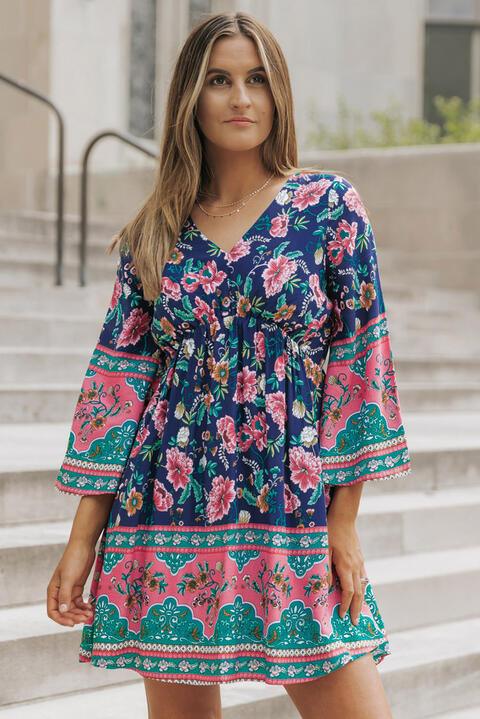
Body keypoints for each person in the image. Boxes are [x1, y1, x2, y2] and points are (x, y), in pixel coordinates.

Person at [47, 10, 412, 719]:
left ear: (279, 94)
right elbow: (116, 389)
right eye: (219, 80)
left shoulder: (327, 206)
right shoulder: (155, 231)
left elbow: (360, 366)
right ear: (191, 96)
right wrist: (81, 542)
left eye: (257, 79)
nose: (241, 98)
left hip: (292, 504)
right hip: (164, 509)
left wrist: (343, 521)